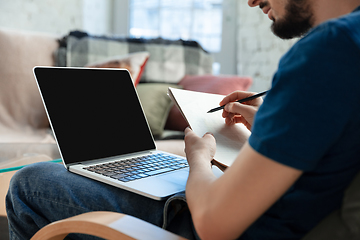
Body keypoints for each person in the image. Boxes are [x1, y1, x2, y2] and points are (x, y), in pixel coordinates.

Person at [6, 0, 360, 239]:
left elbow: (213, 225)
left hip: (252, 225)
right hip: (290, 212)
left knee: (32, 182)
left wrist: (197, 159)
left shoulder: (328, 49)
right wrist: (273, 124)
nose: (251, 1)